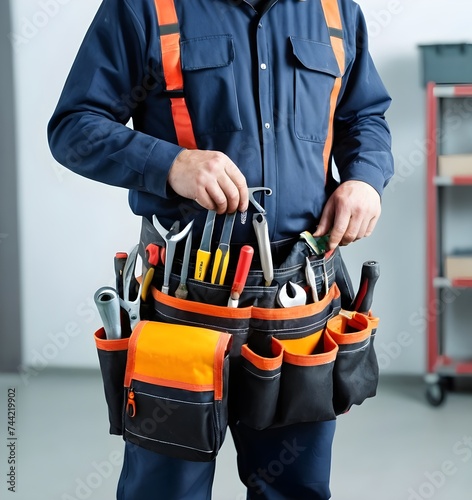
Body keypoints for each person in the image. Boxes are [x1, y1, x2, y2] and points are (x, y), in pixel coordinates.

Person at [48, 0, 393, 498]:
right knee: (165, 490)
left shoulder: (335, 11)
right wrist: (170, 164)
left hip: (296, 307)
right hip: (179, 308)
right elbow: (73, 126)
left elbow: (364, 116)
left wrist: (366, 178)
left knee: (293, 488)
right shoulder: (146, 7)